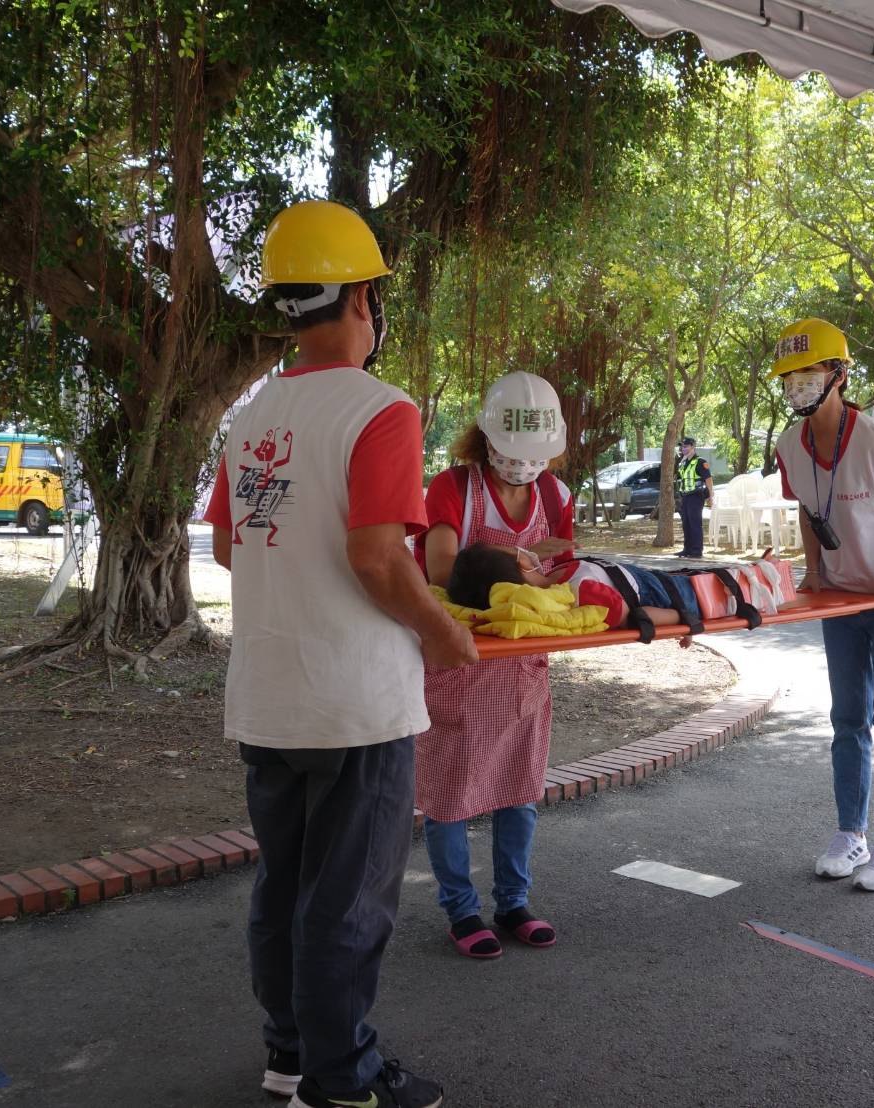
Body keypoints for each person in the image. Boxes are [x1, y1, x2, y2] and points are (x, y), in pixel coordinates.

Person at [205, 199, 477, 1108]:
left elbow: (225, 548)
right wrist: (443, 633)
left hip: (269, 696)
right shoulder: (383, 411)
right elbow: (374, 556)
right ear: (361, 298)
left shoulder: (251, 417)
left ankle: (288, 1058)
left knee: (284, 889)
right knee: (347, 904)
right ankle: (345, 1080)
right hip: (355, 705)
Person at [770, 318, 874, 892]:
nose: (797, 385)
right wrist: (814, 571)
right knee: (847, 719)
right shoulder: (790, 445)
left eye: (808, 373)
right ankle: (851, 834)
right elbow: (807, 511)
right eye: (789, 377)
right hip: (843, 596)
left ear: (838, 375)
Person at [415, 372, 574, 959]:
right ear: (485, 438)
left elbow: (562, 579)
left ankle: (513, 901)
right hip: (459, 663)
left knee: (519, 790)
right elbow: (440, 574)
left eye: (537, 456)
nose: (524, 466)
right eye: (512, 453)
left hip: (523, 671)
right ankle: (462, 910)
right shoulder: (453, 488)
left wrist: (540, 577)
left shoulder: (556, 497)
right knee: (451, 794)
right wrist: (520, 566)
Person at [446, 541, 689, 632]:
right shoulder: (578, 593)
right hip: (684, 597)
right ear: (520, 564)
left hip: (667, 582)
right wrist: (683, 618)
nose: (520, 548)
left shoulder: (559, 578)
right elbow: (634, 618)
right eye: (512, 548)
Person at [673, 435, 714, 558]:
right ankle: (687, 549)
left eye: (685, 446)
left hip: (696, 496)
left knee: (695, 523)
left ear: (692, 447)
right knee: (686, 523)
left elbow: (709, 479)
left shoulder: (700, 462)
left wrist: (711, 496)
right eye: (682, 447)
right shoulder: (683, 462)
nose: (683, 449)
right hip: (685, 497)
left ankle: (696, 551)